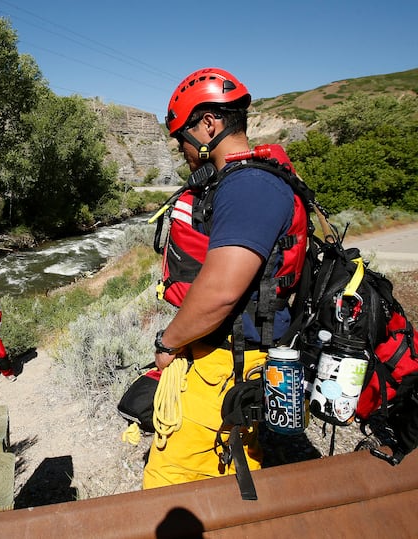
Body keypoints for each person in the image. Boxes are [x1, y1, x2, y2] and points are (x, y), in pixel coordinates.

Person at [143, 68, 308, 489]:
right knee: (229, 475)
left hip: (225, 362)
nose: (181, 146)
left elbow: (219, 293)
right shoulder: (248, 181)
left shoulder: (248, 187)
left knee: (169, 482)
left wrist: (167, 342)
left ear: (210, 124)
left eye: (182, 134)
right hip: (231, 355)